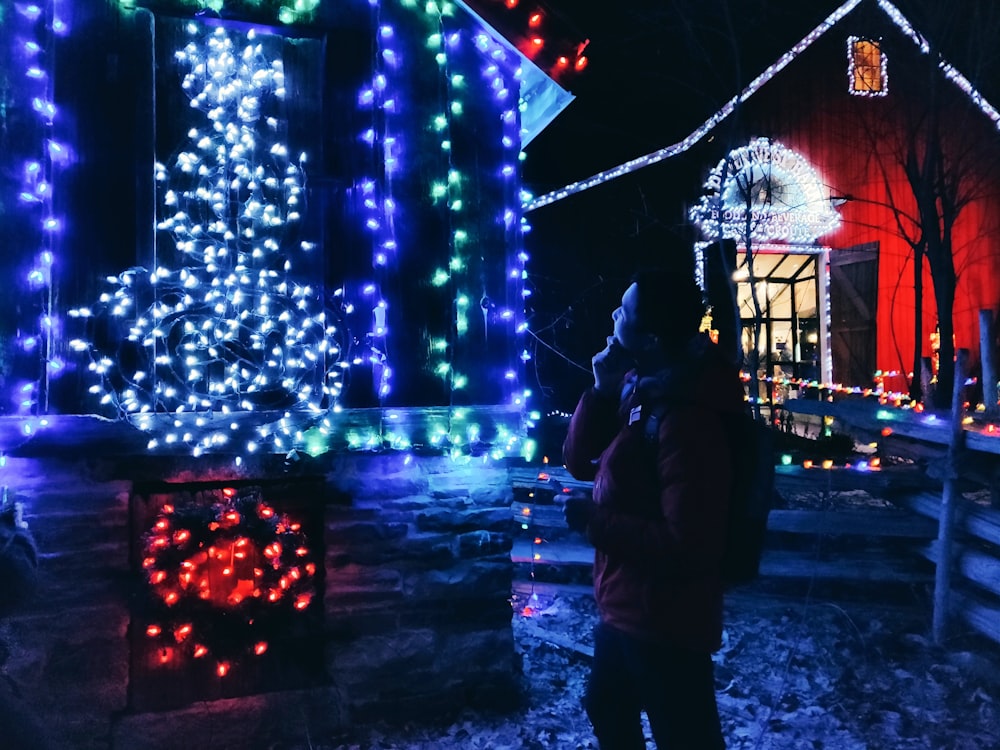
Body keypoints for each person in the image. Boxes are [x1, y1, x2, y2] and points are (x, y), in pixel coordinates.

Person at [562, 267, 745, 749]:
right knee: (607, 708)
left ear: (649, 337)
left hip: (667, 622)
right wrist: (601, 389)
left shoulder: (689, 416)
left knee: (684, 737)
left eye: (624, 311)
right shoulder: (642, 389)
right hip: (625, 607)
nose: (613, 315)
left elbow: (688, 543)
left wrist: (595, 522)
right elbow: (580, 462)